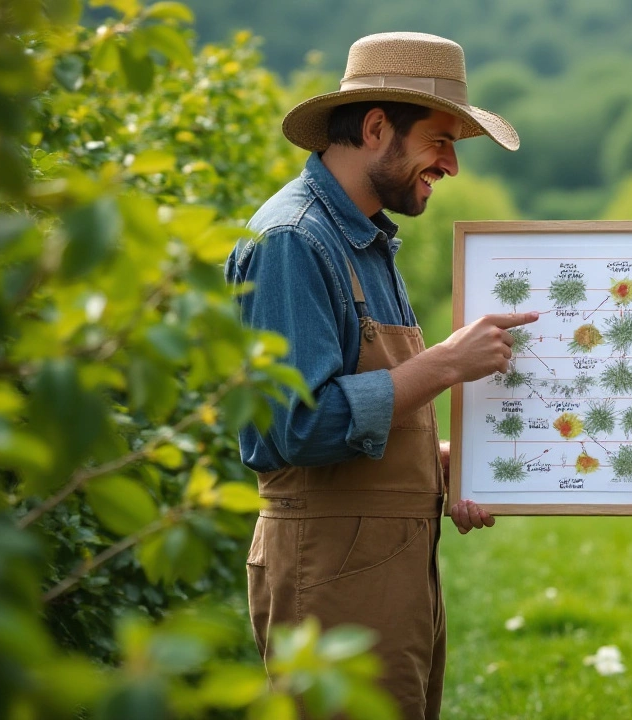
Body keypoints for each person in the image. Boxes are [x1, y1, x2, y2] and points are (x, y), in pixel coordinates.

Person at [226, 32, 535, 720]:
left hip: (386, 565)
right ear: (374, 128)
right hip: (330, 570)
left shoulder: (365, 239)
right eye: (441, 139)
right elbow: (295, 426)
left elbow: (370, 413)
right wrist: (446, 364)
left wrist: (447, 463)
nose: (451, 164)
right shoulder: (294, 242)